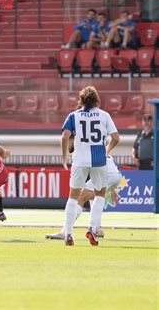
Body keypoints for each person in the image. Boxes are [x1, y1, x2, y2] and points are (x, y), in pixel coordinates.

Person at [61, 86, 119, 246]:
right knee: (100, 194)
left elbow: (65, 135)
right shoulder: (104, 115)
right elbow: (115, 138)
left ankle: (68, 234)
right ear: (96, 100)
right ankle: (92, 229)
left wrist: (64, 156)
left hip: (79, 161)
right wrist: (106, 150)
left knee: (73, 197)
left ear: (81, 100)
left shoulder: (73, 116)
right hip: (99, 160)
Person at [46, 138, 121, 240]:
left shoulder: (81, 149)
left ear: (72, 139)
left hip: (108, 175)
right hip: (114, 174)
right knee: (92, 195)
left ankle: (65, 232)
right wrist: (112, 188)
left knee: (80, 198)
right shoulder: (92, 144)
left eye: (68, 141)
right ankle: (98, 228)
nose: (67, 146)